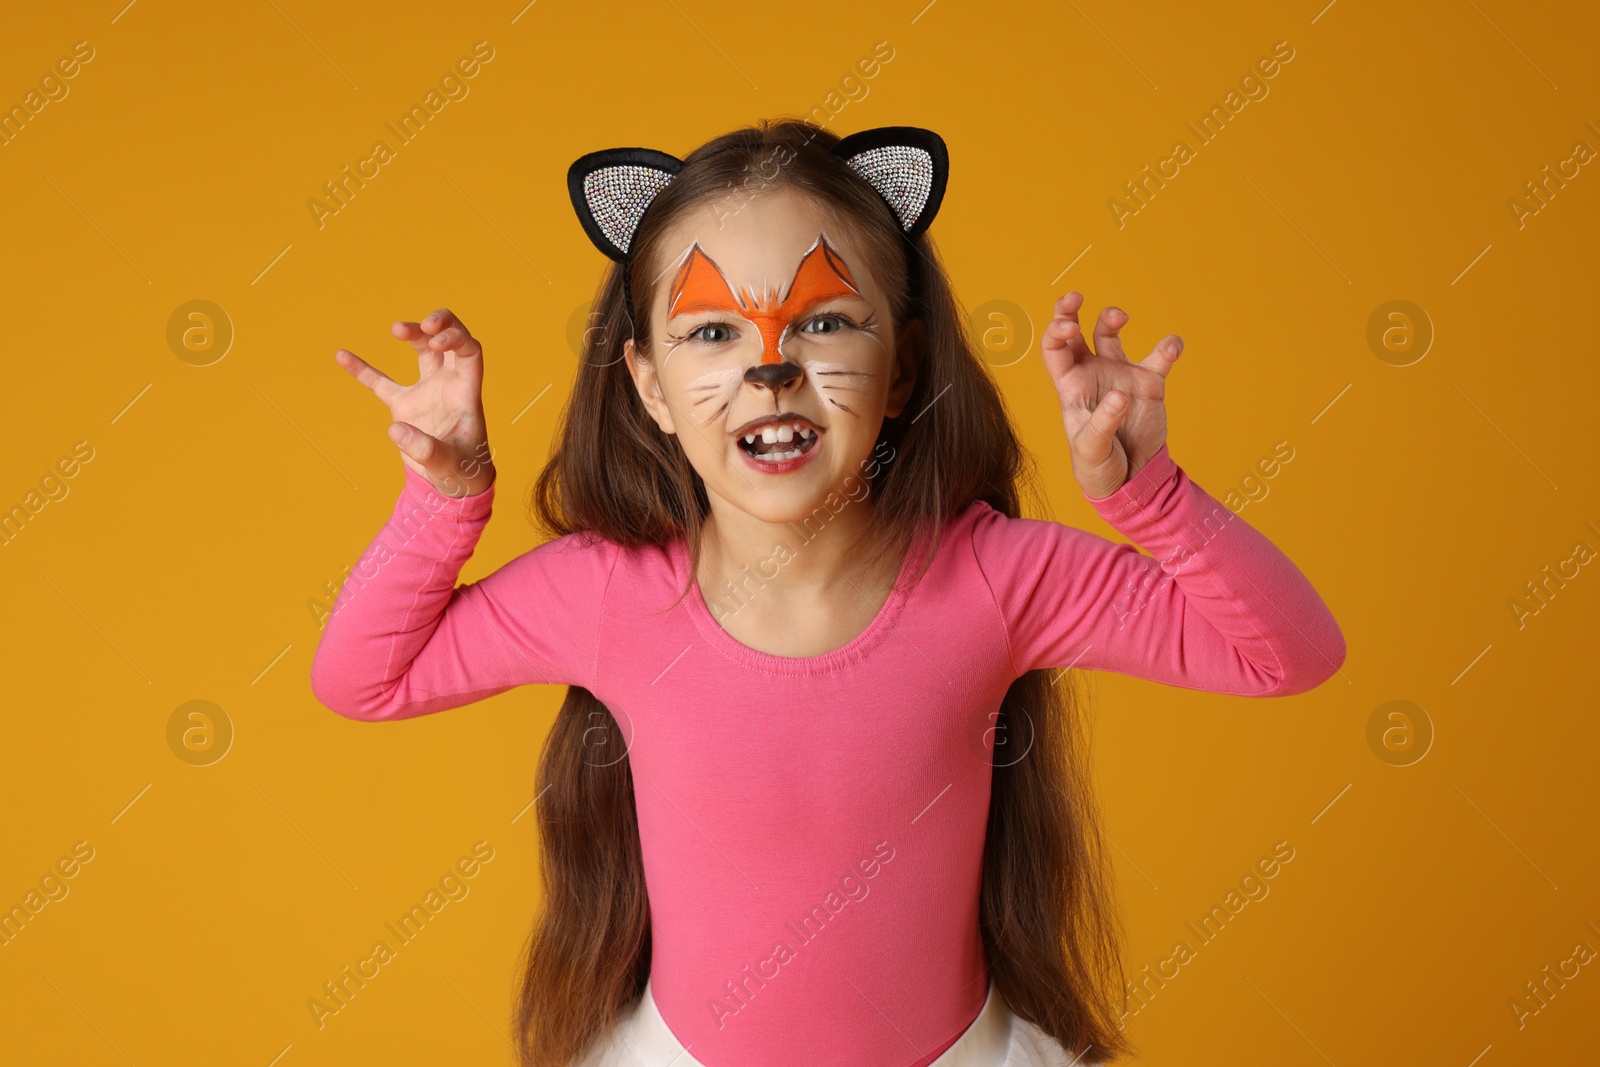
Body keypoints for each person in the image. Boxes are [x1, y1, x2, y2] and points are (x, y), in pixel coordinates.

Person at [310, 119, 1346, 1067]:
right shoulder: (606, 595)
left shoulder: (998, 574)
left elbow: (1286, 654)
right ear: (649, 386)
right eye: (711, 333)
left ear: (899, 370)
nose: (771, 368)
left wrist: (1149, 494)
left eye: (825, 323)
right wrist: (443, 498)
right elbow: (363, 677)